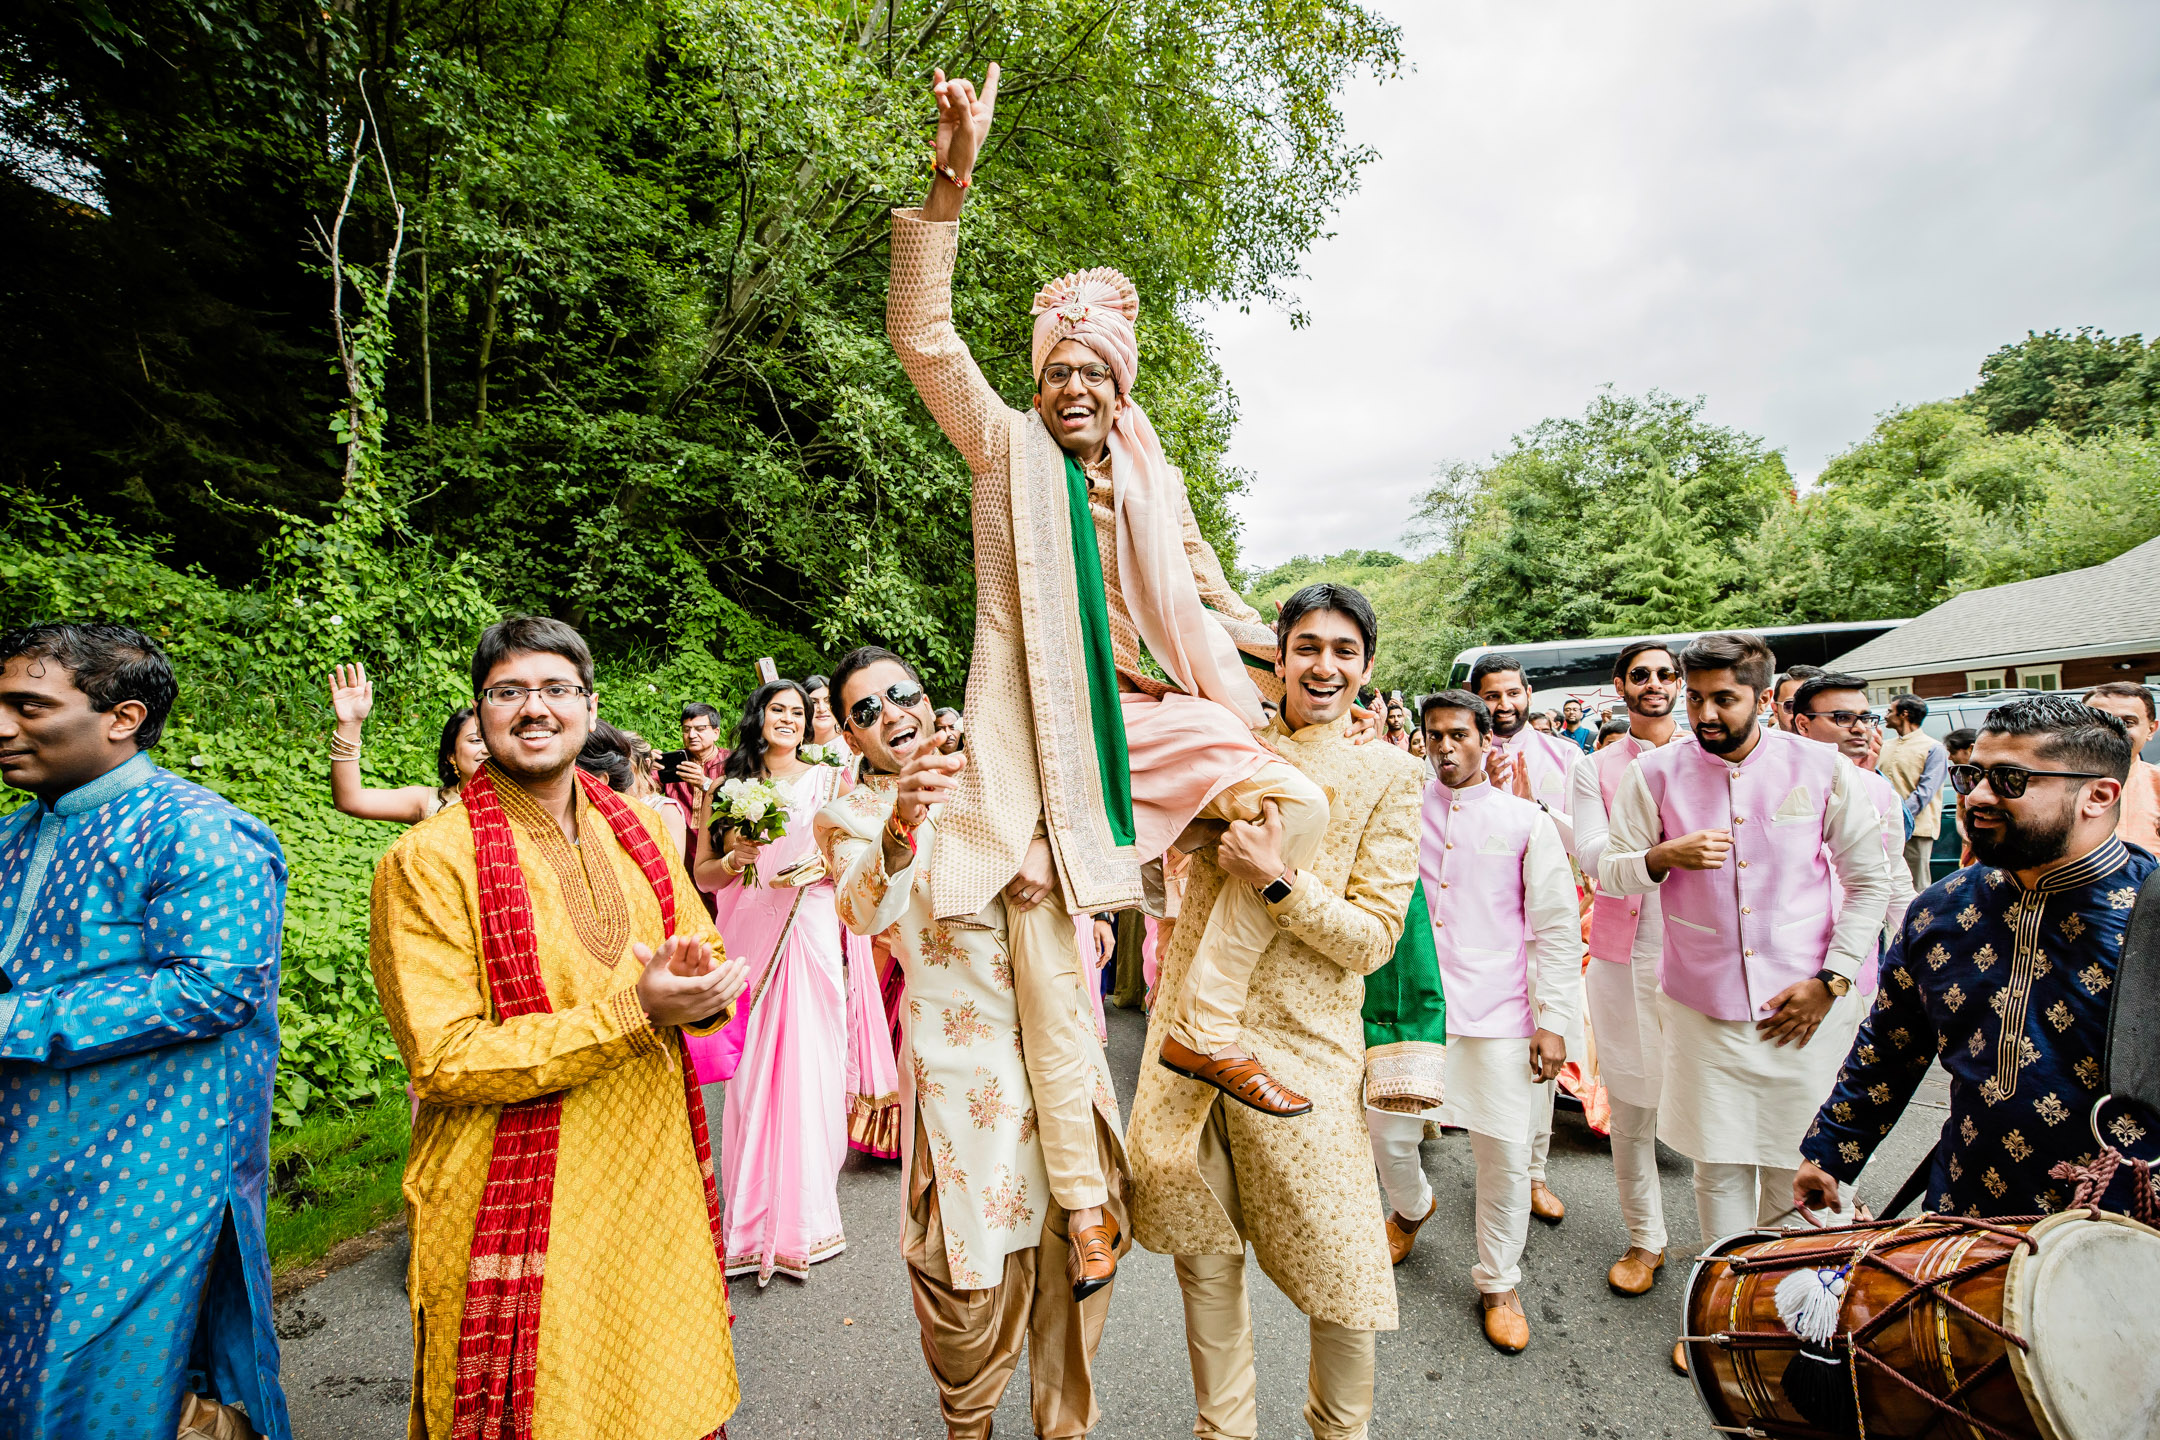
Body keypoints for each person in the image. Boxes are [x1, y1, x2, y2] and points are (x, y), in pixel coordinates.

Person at [889, 65, 1333, 1291]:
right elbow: (922, 337)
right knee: (1039, 915)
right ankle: (1087, 1202)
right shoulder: (1003, 453)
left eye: (1095, 372)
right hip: (1037, 736)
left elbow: (1214, 602)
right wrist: (953, 169)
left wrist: (1309, 658)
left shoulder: (1154, 479)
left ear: (1122, 385)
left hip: (1148, 722)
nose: (1074, 388)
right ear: (1034, 383)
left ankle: (1199, 1030)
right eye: (1057, 371)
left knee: (1280, 802)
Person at [367, 616, 747, 1439]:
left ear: (589, 706)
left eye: (554, 690)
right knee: (552, 1406)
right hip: (516, 1193)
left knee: (662, 1389)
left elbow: (700, 946)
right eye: (509, 692)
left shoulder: (643, 829)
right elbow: (445, 1059)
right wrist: (637, 1010)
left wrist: (699, 988)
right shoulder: (427, 861)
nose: (533, 709)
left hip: (653, 1174)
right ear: (480, 710)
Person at [1129, 583, 1424, 1440]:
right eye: (1306, 647)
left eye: (1342, 650)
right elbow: (1151, 863)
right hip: (1191, 1046)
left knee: (1344, 1281)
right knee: (1205, 1261)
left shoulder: (1389, 776)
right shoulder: (1231, 751)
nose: (1323, 665)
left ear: (1367, 669)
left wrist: (1278, 881)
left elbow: (1372, 939)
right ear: (1278, 657)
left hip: (1304, 1055)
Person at [819, 646, 1130, 1438]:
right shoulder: (850, 816)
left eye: (902, 693)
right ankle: (971, 1419)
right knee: (965, 1274)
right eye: (866, 710)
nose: (892, 713)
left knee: (1076, 1247)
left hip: (1056, 1049)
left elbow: (1091, 841)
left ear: (927, 698)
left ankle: (1065, 1423)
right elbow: (863, 912)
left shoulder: (996, 773)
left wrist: (1046, 861)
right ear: (852, 737)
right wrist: (903, 819)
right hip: (961, 1075)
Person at [0, 623, 291, 1440]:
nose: (2, 725)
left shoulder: (196, 830)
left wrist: (13, 1019)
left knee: (92, 1394)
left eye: (28, 705)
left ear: (122, 717)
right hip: (25, 1164)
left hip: (142, 1173)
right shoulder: (15, 836)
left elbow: (217, 986)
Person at [1597, 632, 1894, 1375]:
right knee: (1718, 1165)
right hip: (1703, 1007)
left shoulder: (1822, 769)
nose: (1703, 712)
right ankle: (1719, 1316)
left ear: (1765, 700)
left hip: (1807, 1011)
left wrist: (1830, 981)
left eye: (1721, 698)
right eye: (1694, 697)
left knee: (1809, 1167)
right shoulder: (1657, 774)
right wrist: (1660, 859)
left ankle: (1802, 1315)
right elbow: (1609, 871)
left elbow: (1870, 883)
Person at [1796, 695, 2154, 1218]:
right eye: (1971, 776)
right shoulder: (1941, 909)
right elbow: (1893, 1045)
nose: (1978, 797)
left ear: (2097, 795)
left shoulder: (2151, 917)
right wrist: (1830, 1154)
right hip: (1964, 1204)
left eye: (2011, 779)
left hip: (2123, 1221)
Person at [1411, 690, 1583, 1352]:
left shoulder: (1524, 821)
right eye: (1434, 736)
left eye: (1458, 734)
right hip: (1417, 1007)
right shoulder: (1402, 811)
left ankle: (1499, 1281)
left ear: (1486, 740)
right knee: (1390, 1139)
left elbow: (1557, 929)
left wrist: (1555, 1020)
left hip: (1500, 1012)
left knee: (1505, 1155)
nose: (1445, 747)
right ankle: (1408, 1206)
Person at [686, 679, 862, 1282]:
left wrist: (826, 868)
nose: (790, 719)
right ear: (758, 717)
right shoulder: (726, 788)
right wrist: (736, 859)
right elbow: (704, 878)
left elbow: (857, 860)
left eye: (799, 711)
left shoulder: (830, 781)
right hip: (749, 939)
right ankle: (751, 1222)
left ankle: (806, 1222)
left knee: (811, 1064)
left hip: (809, 929)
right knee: (755, 1073)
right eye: (778, 709)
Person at [1569, 641, 1681, 1301]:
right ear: (1620, 686)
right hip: (1623, 949)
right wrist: (1662, 853)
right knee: (1633, 1106)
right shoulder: (1596, 768)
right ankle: (1647, 1240)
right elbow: (1590, 853)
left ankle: (1728, 1258)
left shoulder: (1712, 761)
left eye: (1666, 674)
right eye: (1641, 675)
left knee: (1709, 1107)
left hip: (1708, 954)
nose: (1654, 685)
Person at [1471, 652, 1583, 1225]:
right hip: (1478, 937)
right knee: (1485, 1059)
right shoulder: (1453, 757)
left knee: (1540, 1061)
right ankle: (1493, 1168)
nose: (1504, 705)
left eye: (1512, 693)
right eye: (1492, 696)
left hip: (1542, 932)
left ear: (1528, 693)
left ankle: (1534, 1173)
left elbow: (1585, 845)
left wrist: (1527, 807)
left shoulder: (1565, 757)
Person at [1790, 675, 1918, 980]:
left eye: (1866, 718)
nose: (1860, 728)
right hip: (1785, 964)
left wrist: (1917, 946)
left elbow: (1895, 879)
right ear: (1803, 724)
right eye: (1843, 718)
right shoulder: (1774, 782)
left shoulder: (1880, 790)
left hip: (1857, 960)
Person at [328, 661, 487, 822]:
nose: (487, 749)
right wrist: (350, 724)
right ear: (451, 755)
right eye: (475, 740)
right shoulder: (431, 803)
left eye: (492, 741)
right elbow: (350, 801)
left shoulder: (513, 802)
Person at [1880, 695, 1948, 888]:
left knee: (1916, 884)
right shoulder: (1885, 746)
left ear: (1904, 714)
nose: (1885, 716)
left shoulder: (1933, 748)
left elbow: (1925, 792)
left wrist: (1899, 817)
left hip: (1916, 829)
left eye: (1889, 711)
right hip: (1883, 827)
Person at [2084, 681, 2159, 851]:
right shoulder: (2048, 784)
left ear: (2151, 729)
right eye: (2100, 721)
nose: (2114, 731)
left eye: (2128, 722)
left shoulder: (2157, 785)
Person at [1944, 726, 1980, 867]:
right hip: (1970, 845)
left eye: (1953, 752)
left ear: (1970, 749)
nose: (1949, 757)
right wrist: (1966, 835)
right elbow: (1960, 816)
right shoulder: (1962, 779)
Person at [804, 673, 843, 747]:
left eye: (827, 701)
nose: (822, 709)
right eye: (813, 702)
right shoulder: (793, 748)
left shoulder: (854, 746)